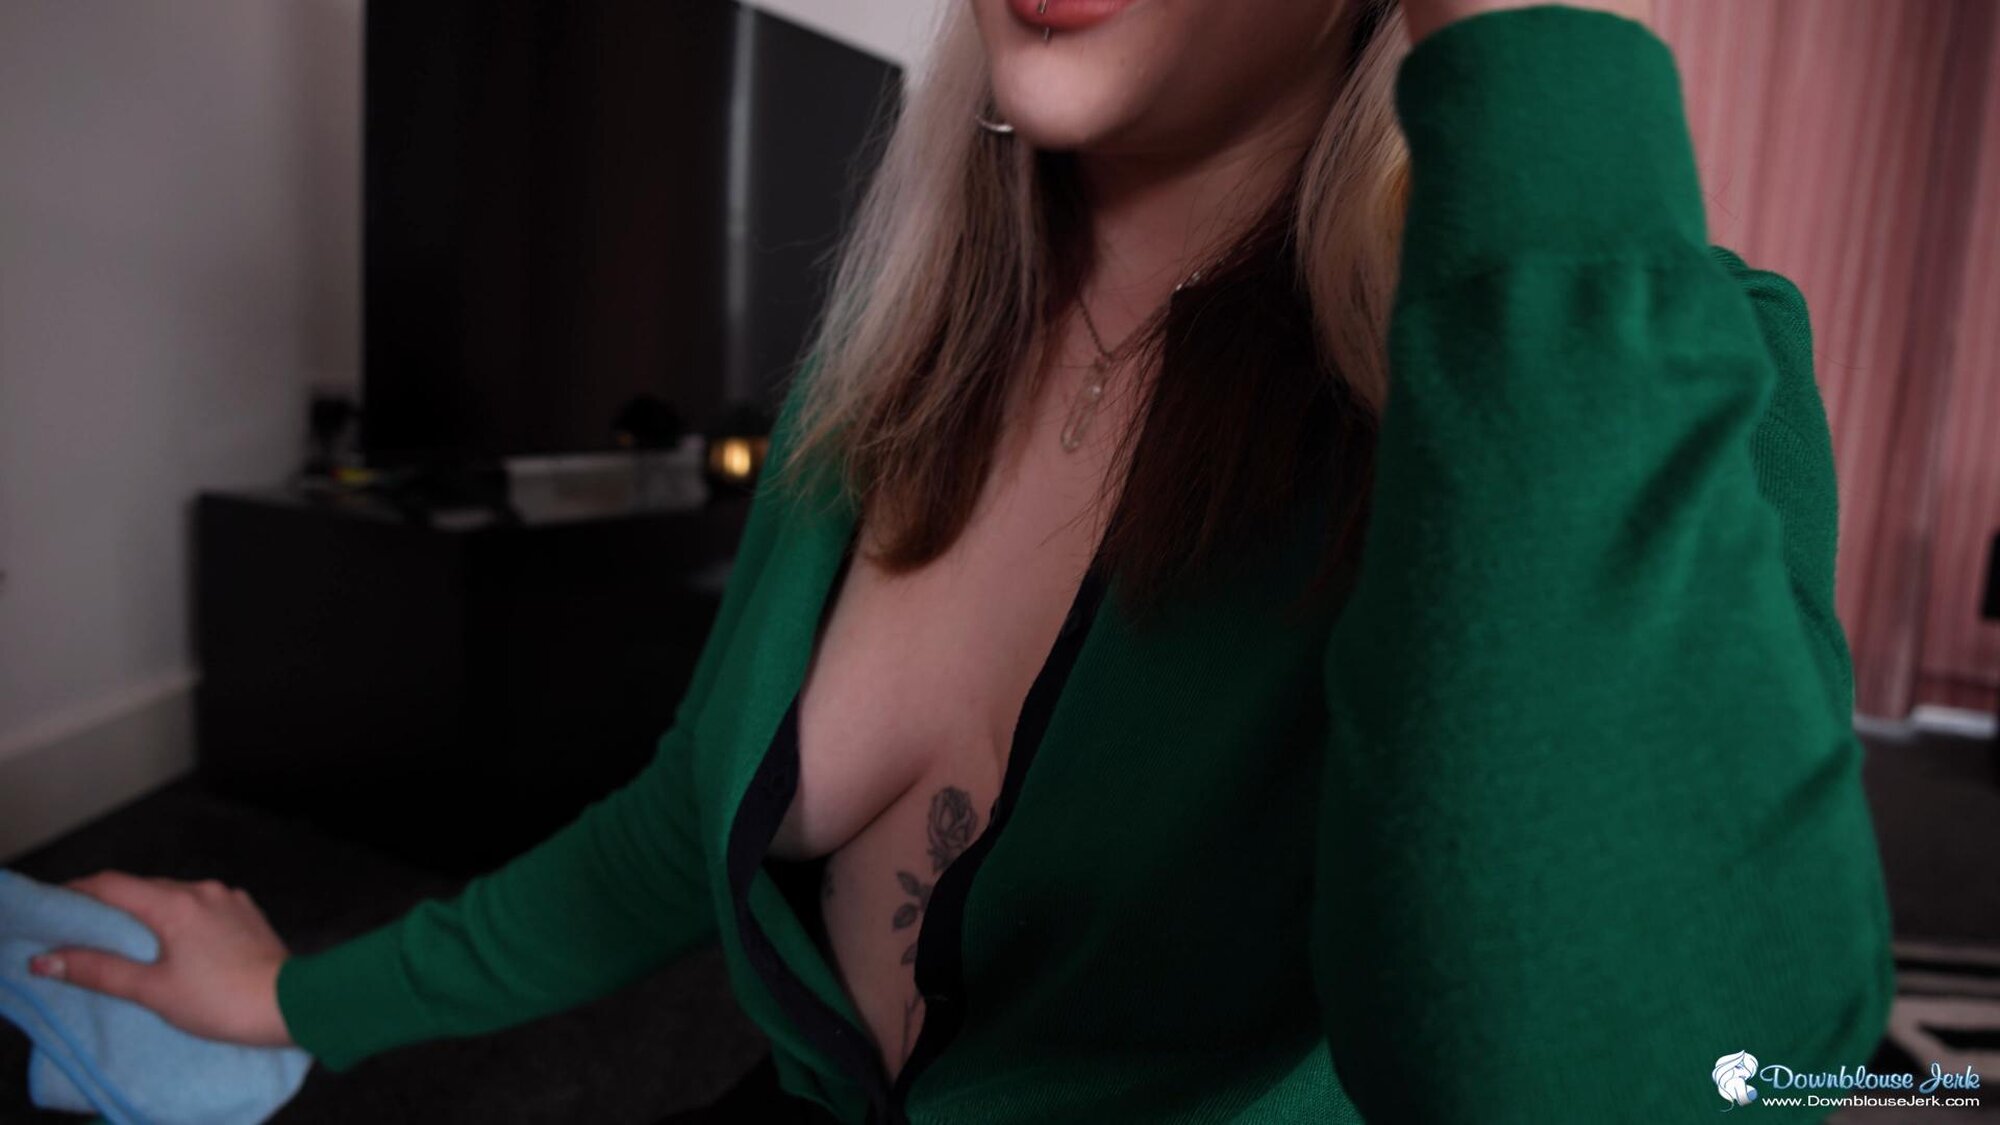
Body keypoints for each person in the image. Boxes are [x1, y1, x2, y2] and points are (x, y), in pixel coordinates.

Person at [28, 0, 1896, 1121]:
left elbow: (1618, 1085)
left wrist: (1520, 53)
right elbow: (683, 822)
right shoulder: (880, 367)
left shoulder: (1613, 373)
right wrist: (296, 998)